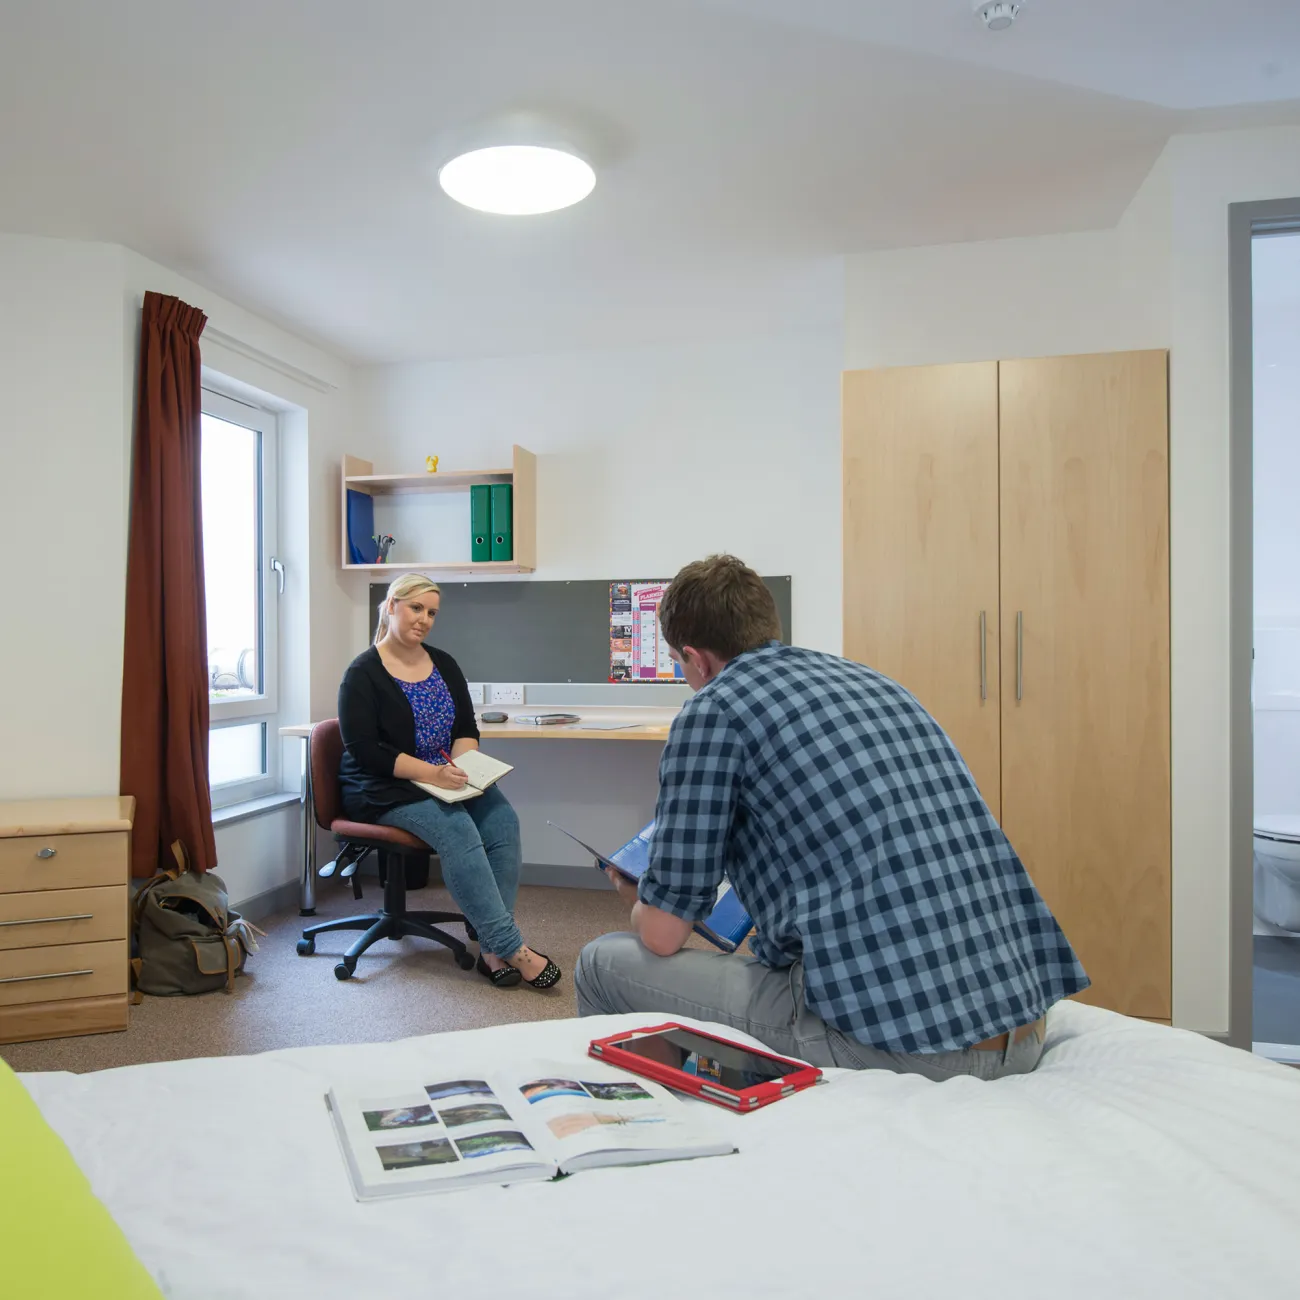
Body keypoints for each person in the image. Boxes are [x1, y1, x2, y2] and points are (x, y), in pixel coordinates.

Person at [575, 555, 1089, 1080]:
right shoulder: (875, 683)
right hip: (1023, 1019)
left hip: (914, 1046)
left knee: (602, 963)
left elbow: (664, 935)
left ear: (695, 659)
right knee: (764, 969)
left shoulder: (714, 711)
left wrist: (637, 898)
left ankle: (636, 1129)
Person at [338, 573, 560, 990]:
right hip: (385, 785)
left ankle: (491, 947)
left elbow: (465, 725)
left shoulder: (443, 663)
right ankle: (512, 948)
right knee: (458, 829)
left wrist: (467, 768)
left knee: (501, 820)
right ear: (391, 607)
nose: (424, 619)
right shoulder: (362, 674)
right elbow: (366, 750)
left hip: (444, 775)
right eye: (416, 608)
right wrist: (431, 773)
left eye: (432, 612)